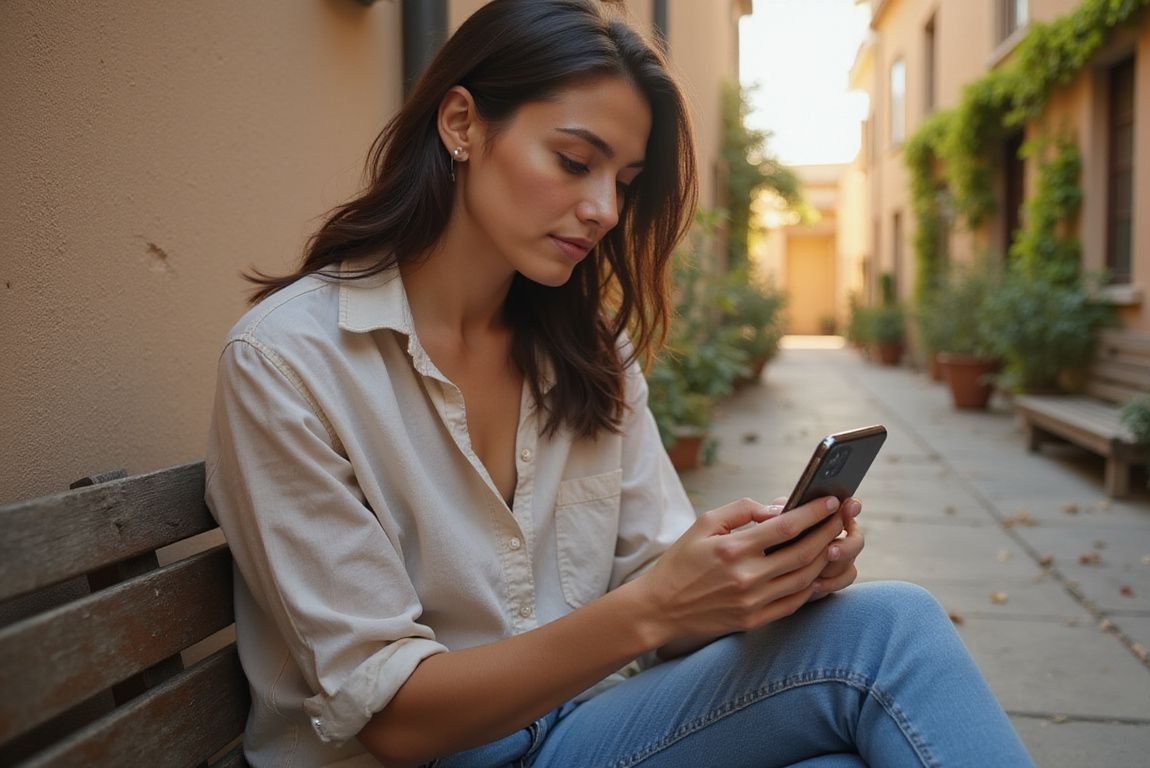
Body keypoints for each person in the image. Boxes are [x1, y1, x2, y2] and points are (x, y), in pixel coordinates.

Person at [205, 1, 1035, 766]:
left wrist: (758, 577)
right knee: (889, 635)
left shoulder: (585, 351)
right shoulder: (289, 364)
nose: (603, 208)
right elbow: (393, 719)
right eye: (574, 161)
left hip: (580, 730)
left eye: (624, 183)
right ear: (462, 124)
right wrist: (657, 608)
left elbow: (658, 579)